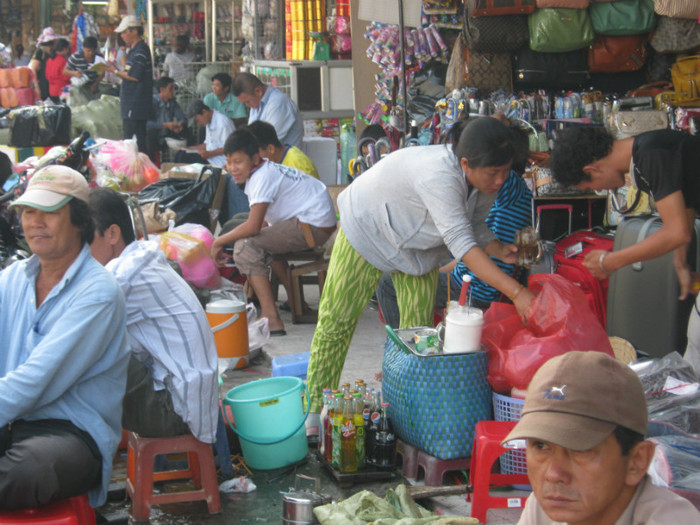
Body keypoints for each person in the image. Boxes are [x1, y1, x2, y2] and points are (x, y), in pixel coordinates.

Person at [304, 118, 536, 438]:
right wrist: (517, 292)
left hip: (416, 250)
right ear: (465, 163)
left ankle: (406, 417)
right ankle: (315, 412)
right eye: (492, 173)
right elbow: (462, 244)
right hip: (366, 228)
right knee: (336, 322)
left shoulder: (484, 183)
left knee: (419, 338)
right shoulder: (439, 175)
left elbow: (475, 228)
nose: (499, 180)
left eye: (504, 172)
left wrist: (498, 249)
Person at [0, 166, 128, 509]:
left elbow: (36, 381)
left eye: (50, 213)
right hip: (10, 420)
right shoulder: (12, 279)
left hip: (69, 434)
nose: (35, 222)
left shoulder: (98, 292)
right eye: (29, 211)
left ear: (80, 222)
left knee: (30, 469)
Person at [549, 127, 700, 374]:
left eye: (593, 185)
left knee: (696, 341)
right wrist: (681, 263)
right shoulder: (647, 150)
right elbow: (686, 206)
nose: (601, 189)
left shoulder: (650, 156)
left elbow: (677, 231)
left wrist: (611, 260)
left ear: (592, 170)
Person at [504, 351, 700, 525]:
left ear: (637, 462)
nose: (553, 474)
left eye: (580, 448)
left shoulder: (672, 520)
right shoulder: (542, 510)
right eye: (540, 445)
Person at [88, 187, 219, 443]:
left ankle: (82, 450)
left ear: (112, 234)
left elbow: (77, 324)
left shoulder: (124, 273)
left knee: (87, 354)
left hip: (174, 411)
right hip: (186, 399)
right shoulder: (139, 257)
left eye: (83, 239)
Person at [377, 118, 532, 325]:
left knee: (388, 284)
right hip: (483, 275)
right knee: (424, 268)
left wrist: (517, 292)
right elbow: (472, 233)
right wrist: (498, 250)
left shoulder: (494, 181)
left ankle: (402, 350)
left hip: (479, 287)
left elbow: (464, 242)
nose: (498, 179)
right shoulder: (506, 182)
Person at [210, 128, 337, 335]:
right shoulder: (263, 171)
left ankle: (271, 317)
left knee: (245, 247)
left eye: (238, 162)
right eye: (229, 162)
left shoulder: (261, 177)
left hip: (313, 225)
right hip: (313, 221)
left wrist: (217, 242)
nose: (233, 168)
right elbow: (261, 225)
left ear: (254, 158)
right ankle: (297, 303)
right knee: (256, 240)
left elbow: (253, 226)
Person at [108, 15, 153, 154]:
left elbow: (134, 76)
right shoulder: (134, 51)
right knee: (136, 140)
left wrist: (113, 70)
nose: (122, 35)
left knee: (133, 142)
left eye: (124, 32)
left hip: (135, 104)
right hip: (132, 104)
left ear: (134, 31)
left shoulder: (140, 51)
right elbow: (129, 71)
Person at [233, 72, 303, 148]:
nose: (247, 105)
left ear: (258, 91)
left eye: (247, 101)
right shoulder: (256, 103)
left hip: (285, 158)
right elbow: (250, 135)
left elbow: (267, 142)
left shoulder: (278, 103)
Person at [247, 120, 320, 179]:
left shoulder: (296, 165)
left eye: (256, 154)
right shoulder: (280, 157)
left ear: (270, 149)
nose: (254, 160)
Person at [174, 99, 235, 168]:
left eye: (197, 120)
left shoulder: (223, 123)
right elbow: (207, 145)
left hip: (219, 161)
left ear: (204, 112)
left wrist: (210, 154)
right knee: (180, 154)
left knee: (183, 158)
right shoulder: (208, 122)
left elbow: (230, 147)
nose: (197, 124)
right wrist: (187, 148)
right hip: (210, 158)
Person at [146, 75, 187, 163]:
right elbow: (147, 123)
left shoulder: (173, 103)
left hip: (168, 134)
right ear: (162, 90)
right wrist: (165, 125)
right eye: (171, 89)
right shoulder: (152, 102)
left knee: (186, 131)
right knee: (150, 132)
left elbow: (182, 117)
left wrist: (180, 125)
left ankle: (182, 161)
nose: (173, 91)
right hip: (155, 135)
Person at [63, 35, 106, 101]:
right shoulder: (76, 57)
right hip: (79, 89)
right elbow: (65, 71)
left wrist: (96, 83)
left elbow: (102, 73)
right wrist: (74, 73)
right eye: (88, 51)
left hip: (93, 88)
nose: (90, 53)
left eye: (92, 51)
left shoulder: (98, 57)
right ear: (83, 48)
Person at [30, 27, 57, 100]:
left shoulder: (53, 52)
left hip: (52, 86)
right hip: (42, 85)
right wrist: (36, 87)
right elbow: (33, 70)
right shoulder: (40, 52)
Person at [45, 38, 71, 103]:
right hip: (63, 90)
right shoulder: (63, 61)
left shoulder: (49, 60)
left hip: (51, 91)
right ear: (64, 49)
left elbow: (47, 76)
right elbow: (66, 77)